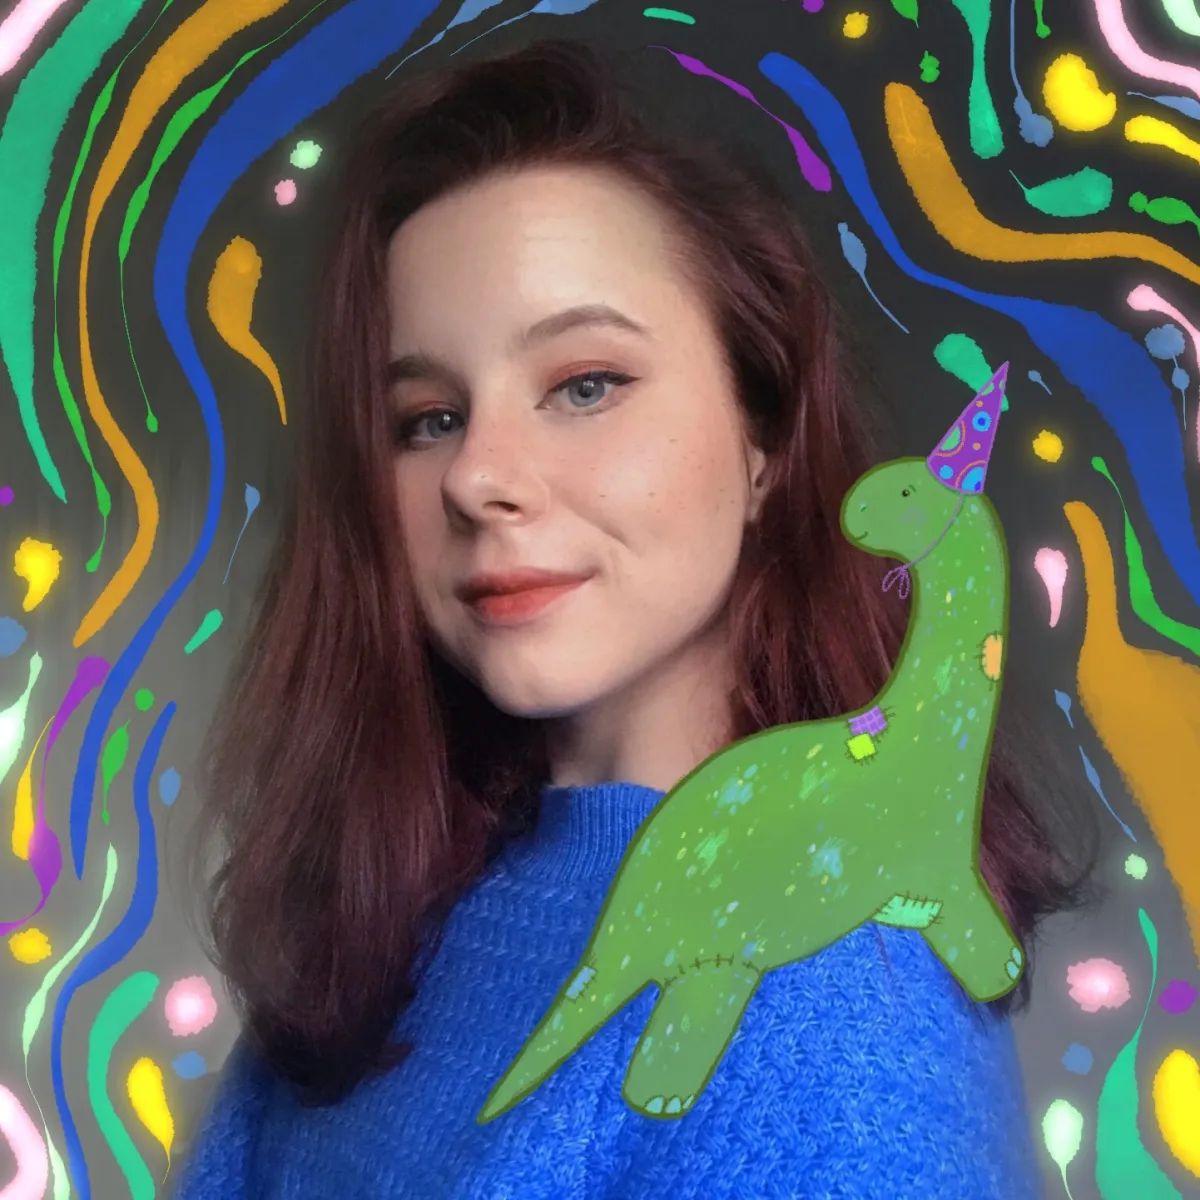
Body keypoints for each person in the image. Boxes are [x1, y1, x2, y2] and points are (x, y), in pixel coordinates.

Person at [172, 36, 1096, 1198]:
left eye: (586, 385)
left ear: (764, 442)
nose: (477, 478)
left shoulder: (844, 1039)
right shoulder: (383, 916)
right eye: (427, 419)